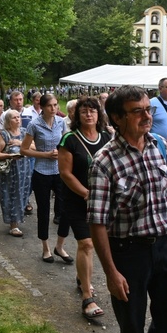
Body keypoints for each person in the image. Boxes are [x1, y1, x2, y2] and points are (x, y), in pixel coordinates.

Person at [88, 85, 167, 333]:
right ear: (116, 117)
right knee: (132, 327)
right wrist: (111, 273)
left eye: (149, 109)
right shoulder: (104, 161)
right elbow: (97, 222)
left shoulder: (160, 145)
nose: (147, 116)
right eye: (138, 111)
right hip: (128, 252)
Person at [58, 96, 111, 320]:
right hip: (77, 200)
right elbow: (65, 173)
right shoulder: (69, 139)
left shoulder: (107, 137)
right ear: (76, 116)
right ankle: (87, 297)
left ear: (99, 115)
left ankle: (82, 278)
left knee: (100, 244)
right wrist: (86, 193)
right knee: (86, 244)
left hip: (104, 200)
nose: (89, 115)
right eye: (84, 111)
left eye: (93, 111)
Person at [21, 93, 72, 263]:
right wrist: (44, 154)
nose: (53, 108)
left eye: (56, 105)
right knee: (43, 211)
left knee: (65, 209)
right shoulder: (34, 125)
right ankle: (46, 247)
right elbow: (24, 150)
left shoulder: (60, 122)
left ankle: (60, 246)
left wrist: (62, 153)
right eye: (50, 105)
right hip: (41, 172)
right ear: (42, 107)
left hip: (60, 171)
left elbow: (65, 143)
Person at [0, 109, 32, 236]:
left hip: (24, 170)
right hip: (10, 172)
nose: (18, 119)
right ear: (8, 121)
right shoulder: (4, 135)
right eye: (14, 118)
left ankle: (18, 220)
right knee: (11, 195)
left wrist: (19, 143)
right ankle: (13, 224)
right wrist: (9, 156)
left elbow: (35, 147)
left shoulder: (25, 132)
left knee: (23, 194)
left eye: (18, 117)